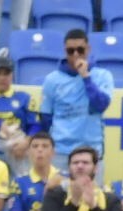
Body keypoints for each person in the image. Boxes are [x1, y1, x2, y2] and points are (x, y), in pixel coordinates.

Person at [40, 29, 114, 159]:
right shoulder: (52, 79)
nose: (75, 54)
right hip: (61, 151)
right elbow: (46, 117)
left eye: (80, 50)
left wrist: (86, 77)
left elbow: (101, 105)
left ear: (88, 49)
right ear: (65, 51)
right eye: (70, 51)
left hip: (92, 149)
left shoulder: (103, 75)